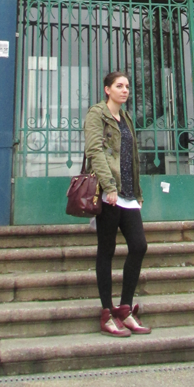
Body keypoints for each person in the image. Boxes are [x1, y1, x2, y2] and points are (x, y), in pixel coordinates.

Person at [84, 70, 151, 337]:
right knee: (107, 249)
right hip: (108, 193)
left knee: (139, 245)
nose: (125, 90)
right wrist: (109, 186)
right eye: (119, 86)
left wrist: (137, 192)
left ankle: (125, 308)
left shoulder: (126, 118)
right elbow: (94, 151)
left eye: (127, 86)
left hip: (128, 194)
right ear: (107, 89)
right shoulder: (97, 114)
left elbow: (131, 157)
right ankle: (106, 312)